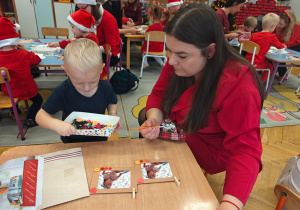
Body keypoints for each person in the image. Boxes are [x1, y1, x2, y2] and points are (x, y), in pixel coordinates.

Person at [139, 4, 264, 209]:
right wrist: (154, 119)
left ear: (210, 50)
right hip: (185, 129)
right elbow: (159, 94)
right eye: (170, 51)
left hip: (211, 148)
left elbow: (245, 151)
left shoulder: (238, 84)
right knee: (144, 116)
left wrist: (230, 204)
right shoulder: (180, 60)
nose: (171, 61)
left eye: (181, 55)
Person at [36, 39, 121, 143]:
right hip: (72, 141)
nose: (86, 88)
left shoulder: (106, 87)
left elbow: (112, 101)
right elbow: (40, 116)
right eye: (79, 83)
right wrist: (56, 124)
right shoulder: (63, 91)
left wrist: (112, 114)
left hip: (100, 139)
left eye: (93, 81)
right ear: (67, 71)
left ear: (101, 70)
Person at [0, 17, 43, 127]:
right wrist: (26, 50)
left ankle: (14, 109)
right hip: (27, 90)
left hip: (10, 90)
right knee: (38, 100)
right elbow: (37, 59)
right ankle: (30, 119)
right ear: (15, 39)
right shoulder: (23, 55)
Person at [75, 0, 121, 77]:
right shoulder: (87, 16)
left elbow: (111, 46)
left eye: (83, 8)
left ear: (92, 6)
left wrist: (90, 48)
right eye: (78, 8)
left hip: (109, 54)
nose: (80, 11)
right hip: (95, 49)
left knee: (82, 60)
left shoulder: (107, 18)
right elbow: (83, 35)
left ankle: (88, 81)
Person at [245, 13, 286, 82]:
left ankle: (253, 78)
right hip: (257, 62)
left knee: (262, 62)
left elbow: (250, 45)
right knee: (270, 66)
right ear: (273, 26)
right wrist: (284, 45)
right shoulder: (271, 36)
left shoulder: (254, 35)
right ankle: (261, 82)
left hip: (247, 60)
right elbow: (279, 46)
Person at [274, 10, 300, 81]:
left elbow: (288, 43)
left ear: (288, 24)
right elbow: (272, 34)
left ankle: (283, 73)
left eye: (280, 24)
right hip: (284, 44)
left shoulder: (296, 28)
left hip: (296, 47)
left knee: (279, 54)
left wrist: (276, 45)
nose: (278, 25)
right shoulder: (280, 26)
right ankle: (275, 68)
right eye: (278, 22)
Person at [141, 4, 164, 69]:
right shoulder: (160, 26)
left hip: (150, 47)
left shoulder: (151, 28)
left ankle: (145, 63)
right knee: (156, 55)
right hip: (159, 47)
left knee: (143, 50)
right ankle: (162, 64)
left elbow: (146, 35)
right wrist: (148, 27)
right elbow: (155, 29)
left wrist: (146, 29)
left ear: (152, 17)